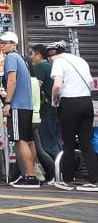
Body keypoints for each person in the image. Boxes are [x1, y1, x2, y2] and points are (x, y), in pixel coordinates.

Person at [47, 40, 98, 192]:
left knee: (68, 143)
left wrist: (54, 99)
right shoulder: (80, 60)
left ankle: (67, 180)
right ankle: (95, 181)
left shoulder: (59, 62)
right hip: (86, 102)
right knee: (86, 144)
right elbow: (89, 83)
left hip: (69, 103)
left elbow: (57, 85)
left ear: (52, 54)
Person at [0, 31, 41, 188]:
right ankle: (33, 174)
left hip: (17, 106)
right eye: (0, 43)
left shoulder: (11, 58)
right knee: (29, 141)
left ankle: (30, 176)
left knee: (20, 140)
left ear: (14, 44)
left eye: (5, 43)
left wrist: (7, 102)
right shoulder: (22, 59)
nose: (2, 45)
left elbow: (12, 80)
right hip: (26, 106)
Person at [29, 44, 62, 160]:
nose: (31, 57)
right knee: (57, 142)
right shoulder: (50, 66)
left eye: (32, 54)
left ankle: (54, 173)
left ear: (38, 55)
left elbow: (36, 87)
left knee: (48, 145)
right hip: (56, 111)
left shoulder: (41, 67)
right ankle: (63, 171)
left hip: (47, 111)